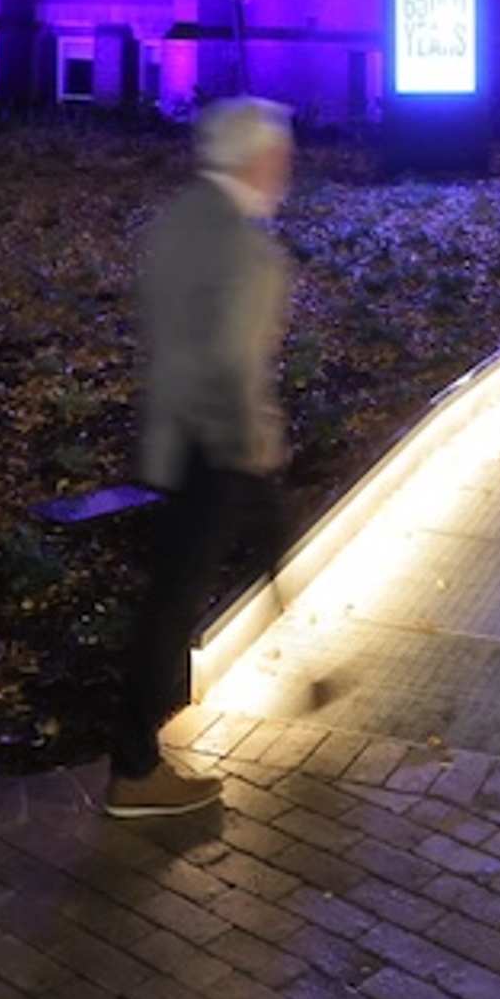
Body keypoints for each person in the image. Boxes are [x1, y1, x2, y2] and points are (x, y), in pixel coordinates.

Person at [109, 98, 298, 820]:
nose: (287, 166)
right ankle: (134, 767)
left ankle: (136, 756)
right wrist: (252, 442)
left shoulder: (181, 220)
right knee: (172, 606)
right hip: (216, 447)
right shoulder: (248, 249)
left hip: (172, 437)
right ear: (257, 159)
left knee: (168, 599)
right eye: (280, 154)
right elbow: (234, 362)